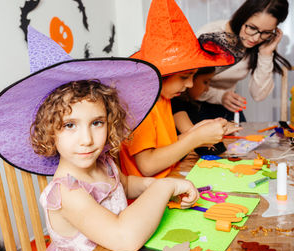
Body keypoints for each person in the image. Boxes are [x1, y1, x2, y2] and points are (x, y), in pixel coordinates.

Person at [0, 26, 199, 251]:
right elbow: (124, 237)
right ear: (49, 132)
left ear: (110, 121)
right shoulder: (66, 192)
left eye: (97, 123)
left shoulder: (104, 163)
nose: (87, 139)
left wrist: (151, 184)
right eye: (69, 125)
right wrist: (165, 187)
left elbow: (123, 185)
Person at [119, 0, 240, 179]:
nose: (190, 85)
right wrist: (196, 137)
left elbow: (166, 148)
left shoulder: (164, 97)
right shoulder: (139, 104)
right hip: (146, 196)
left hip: (171, 180)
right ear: (160, 74)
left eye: (192, 76)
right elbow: (147, 165)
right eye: (184, 77)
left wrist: (197, 132)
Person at [196, 0, 292, 121]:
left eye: (267, 32)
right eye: (252, 28)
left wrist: (265, 54)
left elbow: (258, 95)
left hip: (227, 106)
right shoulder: (211, 35)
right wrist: (220, 96)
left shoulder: (263, 42)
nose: (256, 38)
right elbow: (189, 83)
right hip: (195, 105)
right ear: (243, 17)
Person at [171, 66, 242, 155]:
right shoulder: (177, 104)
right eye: (205, 82)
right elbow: (197, 140)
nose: (207, 89)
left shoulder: (192, 105)